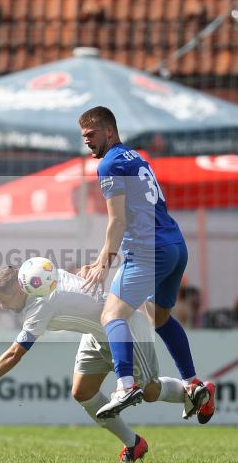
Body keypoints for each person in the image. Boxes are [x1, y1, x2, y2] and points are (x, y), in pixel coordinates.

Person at [0, 266, 209, 463]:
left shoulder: (40, 305)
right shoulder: (30, 275)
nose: (3, 306)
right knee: (82, 391)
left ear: (19, 291)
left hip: (125, 329)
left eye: (5, 301)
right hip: (96, 334)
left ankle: (198, 392)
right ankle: (134, 444)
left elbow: (13, 355)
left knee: (150, 392)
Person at [77, 106, 211, 419]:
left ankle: (126, 385)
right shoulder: (135, 156)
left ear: (109, 131)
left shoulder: (108, 164)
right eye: (83, 136)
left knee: (112, 315)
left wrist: (104, 263)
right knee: (158, 317)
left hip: (149, 250)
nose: (87, 141)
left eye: (91, 134)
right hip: (174, 245)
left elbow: (117, 220)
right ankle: (193, 384)